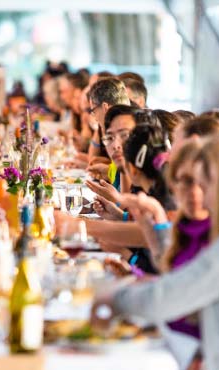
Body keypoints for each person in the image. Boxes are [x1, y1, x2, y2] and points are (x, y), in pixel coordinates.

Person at [91, 136, 219, 370]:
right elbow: (182, 279)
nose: (200, 193)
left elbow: (170, 295)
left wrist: (114, 299)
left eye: (205, 184)